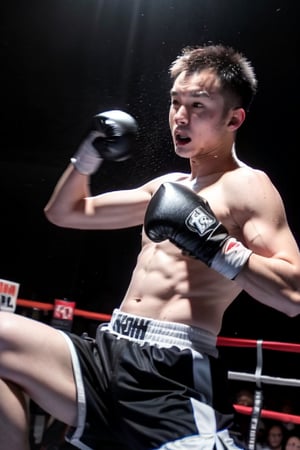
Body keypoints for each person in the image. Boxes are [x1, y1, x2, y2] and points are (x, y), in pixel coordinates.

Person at [1, 44, 300, 450]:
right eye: (176, 102)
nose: (181, 115)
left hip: (170, 371)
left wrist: (216, 246)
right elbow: (65, 212)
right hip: (109, 351)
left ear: (234, 118)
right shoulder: (166, 188)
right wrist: (88, 154)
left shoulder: (249, 186)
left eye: (198, 105)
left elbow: (293, 294)